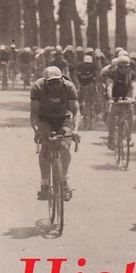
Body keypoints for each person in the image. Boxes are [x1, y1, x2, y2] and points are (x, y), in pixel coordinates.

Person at [30, 65, 80, 200]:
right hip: (44, 119)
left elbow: (76, 112)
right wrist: (37, 131)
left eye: (57, 82)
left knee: (64, 147)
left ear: (61, 80)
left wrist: (75, 130)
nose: (54, 86)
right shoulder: (37, 87)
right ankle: (45, 183)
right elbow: (34, 114)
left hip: (63, 118)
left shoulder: (69, 87)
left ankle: (63, 179)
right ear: (45, 82)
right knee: (45, 147)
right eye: (50, 83)